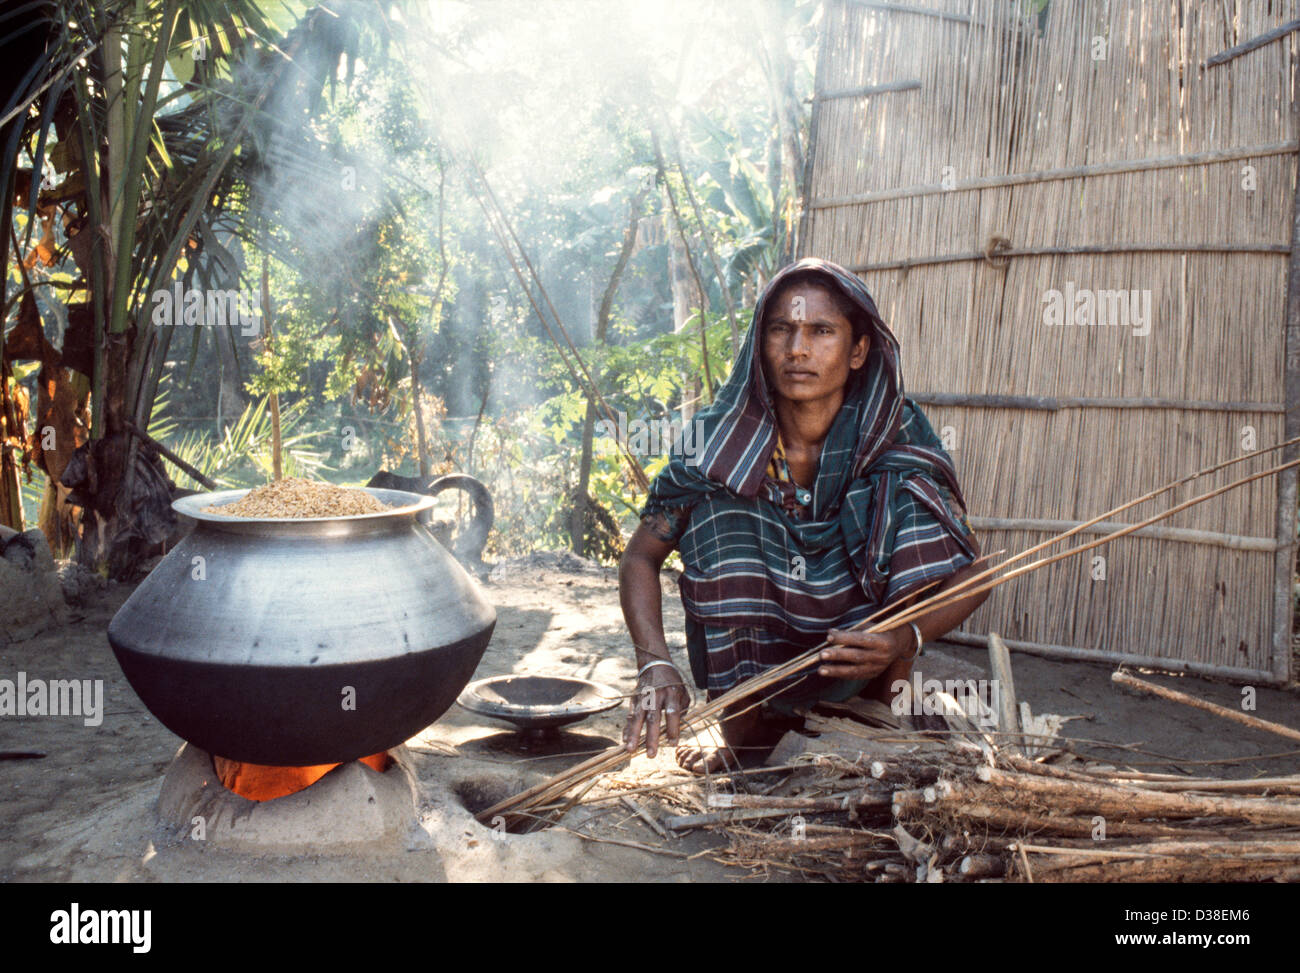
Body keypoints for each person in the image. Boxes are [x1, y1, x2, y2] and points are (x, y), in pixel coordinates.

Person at [619, 257, 990, 773]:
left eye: (821, 331)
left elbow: (978, 573)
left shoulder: (893, 433)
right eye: (781, 330)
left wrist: (902, 639)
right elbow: (640, 556)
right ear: (759, 343)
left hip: (866, 676)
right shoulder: (719, 440)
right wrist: (654, 664)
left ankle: (873, 726)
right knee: (717, 511)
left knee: (902, 497)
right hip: (752, 684)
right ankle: (747, 746)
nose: (797, 349)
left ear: (858, 350)